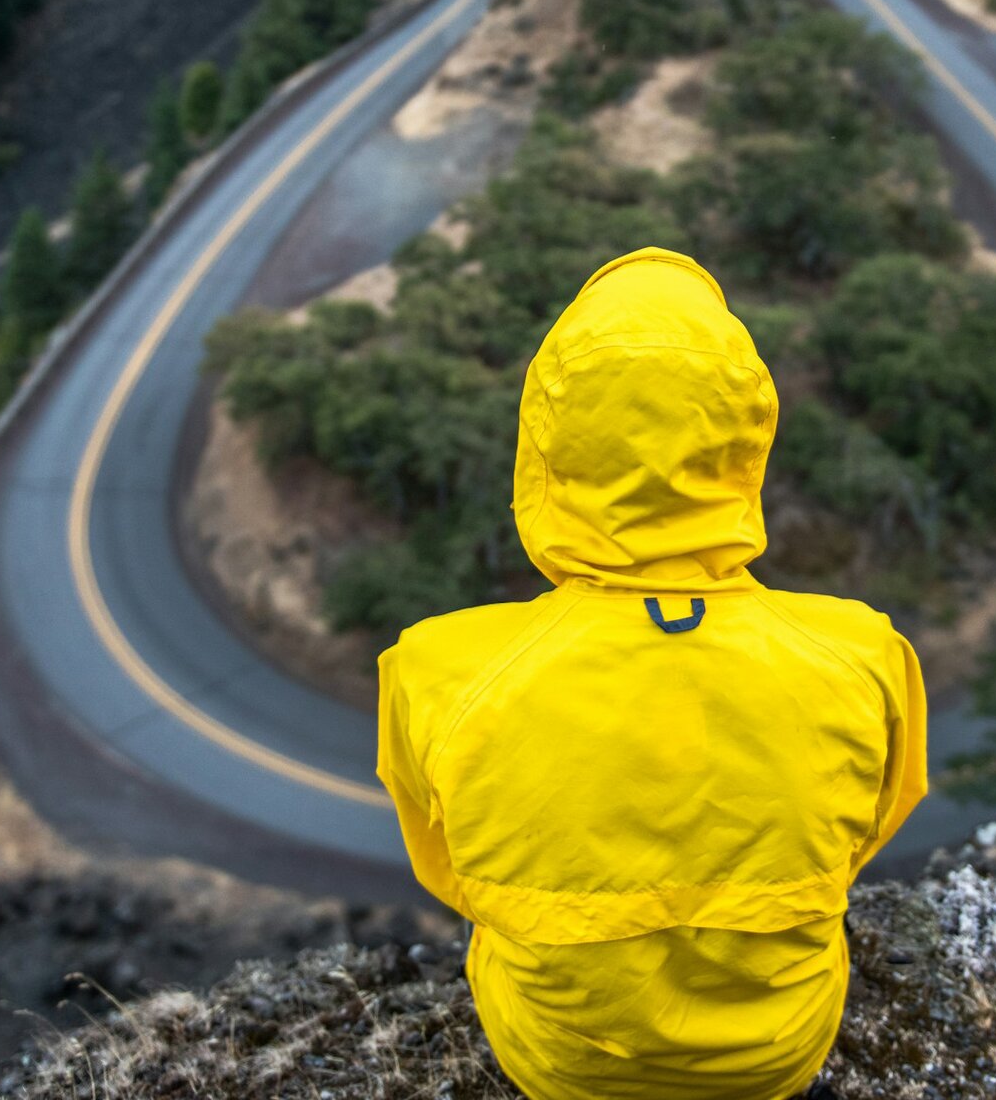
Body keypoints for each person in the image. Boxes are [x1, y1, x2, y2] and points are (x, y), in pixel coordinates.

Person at [376, 247, 929, 1100]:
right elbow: (861, 840)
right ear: (746, 441)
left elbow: (450, 871)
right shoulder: (864, 655)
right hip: (779, 1055)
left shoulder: (437, 669)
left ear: (544, 448)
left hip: (560, 1064)